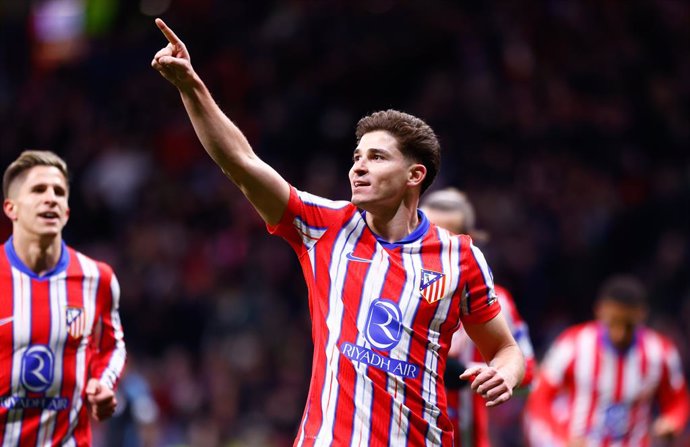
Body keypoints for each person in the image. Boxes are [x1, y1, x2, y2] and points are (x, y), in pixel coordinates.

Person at [151, 18, 525, 445]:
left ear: (414, 175)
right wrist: (192, 87)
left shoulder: (459, 257)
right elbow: (241, 163)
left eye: (377, 157)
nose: (358, 167)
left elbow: (506, 349)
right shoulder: (324, 226)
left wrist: (504, 375)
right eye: (356, 156)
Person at [1, 150, 127, 446]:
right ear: (11, 208)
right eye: (38, 190)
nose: (51, 198)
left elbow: (114, 344)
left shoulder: (97, 278)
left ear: (67, 212)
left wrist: (103, 383)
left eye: (59, 192)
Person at [421, 188, 536, 447]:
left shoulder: (497, 302)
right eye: (427, 231)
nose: (433, 243)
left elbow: (527, 371)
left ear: (467, 241)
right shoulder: (392, 285)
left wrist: (491, 375)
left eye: (445, 234)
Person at [524, 275, 690, 447]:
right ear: (600, 311)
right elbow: (540, 398)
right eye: (613, 323)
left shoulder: (661, 353)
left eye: (628, 325)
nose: (620, 333)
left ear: (642, 315)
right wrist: (563, 438)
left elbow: (677, 401)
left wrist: (672, 423)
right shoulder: (572, 345)